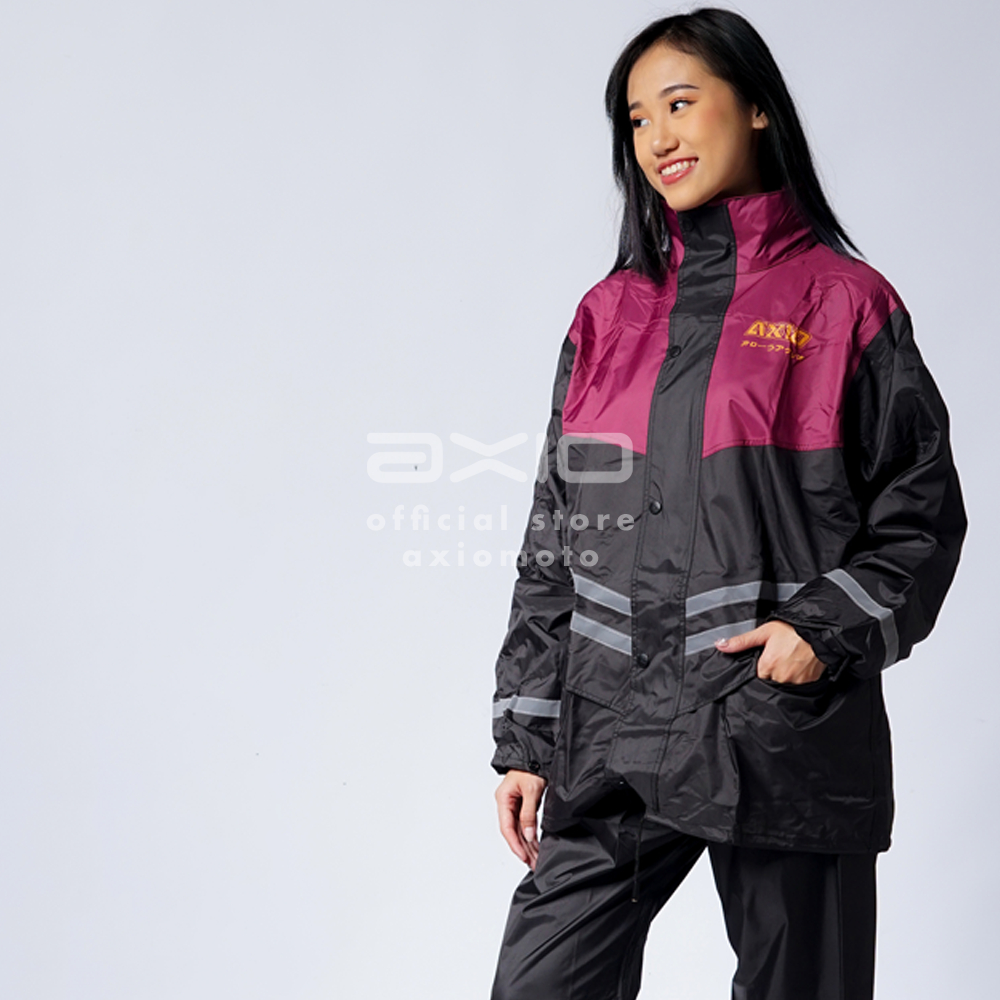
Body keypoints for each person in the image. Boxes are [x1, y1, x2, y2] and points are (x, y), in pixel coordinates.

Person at [488, 8, 967, 1000]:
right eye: (635, 119)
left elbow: (919, 516)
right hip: (612, 728)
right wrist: (527, 737)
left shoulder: (845, 303)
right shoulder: (607, 316)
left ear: (755, 108)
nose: (656, 137)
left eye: (678, 103)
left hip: (775, 731)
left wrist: (821, 631)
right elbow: (558, 536)